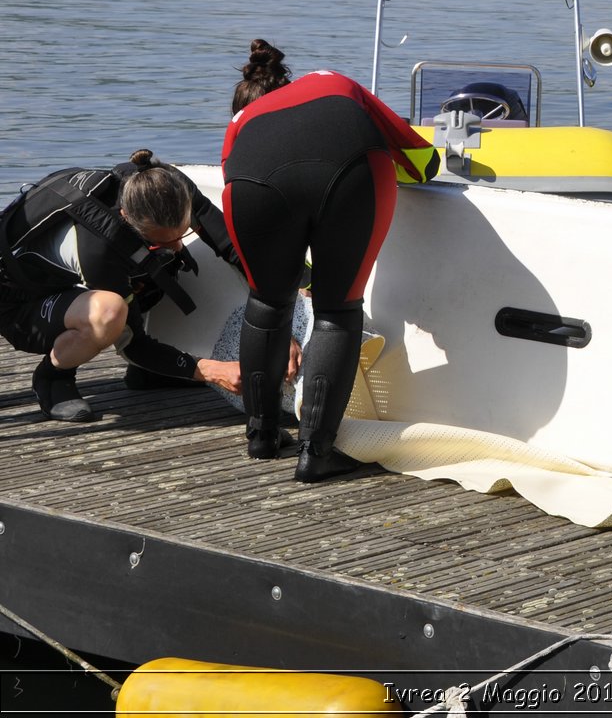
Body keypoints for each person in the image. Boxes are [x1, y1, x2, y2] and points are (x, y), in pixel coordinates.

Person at [223, 39, 439, 479]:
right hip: (349, 166)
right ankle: (315, 453)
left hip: (253, 178)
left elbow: (231, 176)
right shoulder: (332, 80)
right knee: (336, 311)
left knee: (266, 304)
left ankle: (261, 437)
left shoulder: (241, 119)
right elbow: (424, 161)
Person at [0, 150, 244, 422]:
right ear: (127, 216)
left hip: (78, 279)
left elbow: (229, 244)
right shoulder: (99, 251)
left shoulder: (169, 184)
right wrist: (209, 370)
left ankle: (151, 374)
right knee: (109, 312)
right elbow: (132, 344)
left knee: (163, 264)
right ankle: (54, 374)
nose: (177, 246)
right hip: (21, 306)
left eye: (183, 232)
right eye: (162, 241)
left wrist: (279, 297)